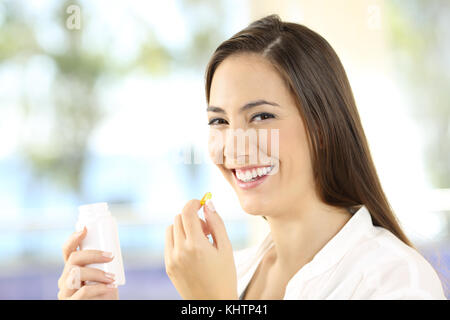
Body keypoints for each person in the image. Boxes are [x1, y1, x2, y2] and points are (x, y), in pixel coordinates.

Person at [57, 14, 446, 300]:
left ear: (323, 127)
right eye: (220, 121)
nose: (235, 146)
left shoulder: (397, 282)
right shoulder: (235, 270)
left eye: (261, 116)